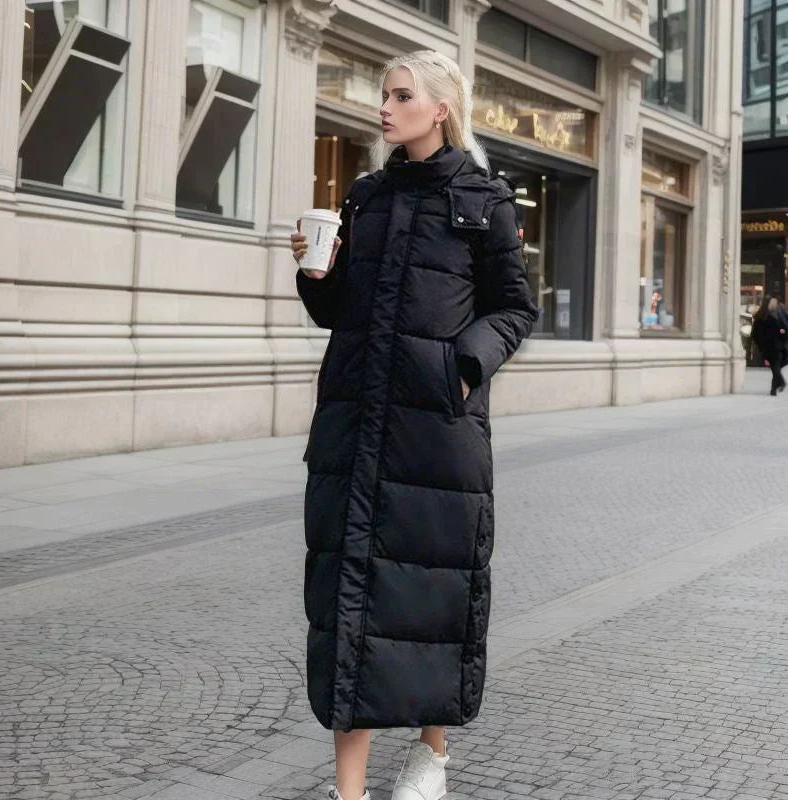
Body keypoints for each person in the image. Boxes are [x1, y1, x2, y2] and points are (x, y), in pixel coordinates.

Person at [290, 50, 538, 800]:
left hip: (437, 433)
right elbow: (338, 315)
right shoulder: (366, 197)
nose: (384, 108)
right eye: (383, 95)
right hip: (354, 427)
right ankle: (349, 792)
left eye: (401, 96)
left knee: (431, 600)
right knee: (348, 604)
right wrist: (313, 274)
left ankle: (432, 751)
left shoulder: (486, 200)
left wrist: (465, 363)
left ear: (439, 108)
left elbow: (515, 308)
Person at [751, 296, 788, 395]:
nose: (775, 304)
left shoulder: (766, 316)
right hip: (774, 347)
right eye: (773, 303)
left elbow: (754, 335)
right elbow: (780, 330)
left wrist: (761, 345)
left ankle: (774, 388)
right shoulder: (768, 317)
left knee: (775, 367)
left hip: (771, 347)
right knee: (776, 366)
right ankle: (780, 383)